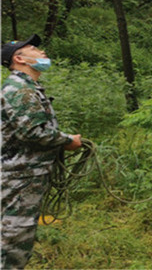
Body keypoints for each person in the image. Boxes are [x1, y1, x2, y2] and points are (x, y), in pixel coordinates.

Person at [1, 34, 82, 269]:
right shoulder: (19, 89)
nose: (42, 52)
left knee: (16, 235)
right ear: (19, 58)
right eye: (34, 49)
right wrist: (68, 140)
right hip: (19, 177)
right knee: (13, 239)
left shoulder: (28, 87)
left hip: (26, 175)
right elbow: (34, 133)